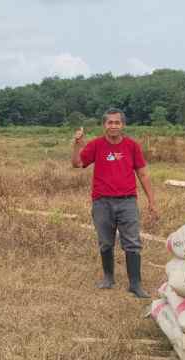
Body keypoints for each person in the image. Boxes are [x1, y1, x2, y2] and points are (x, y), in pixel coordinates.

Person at [70, 108, 157, 298]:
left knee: (132, 242)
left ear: (122, 125)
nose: (114, 126)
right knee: (105, 242)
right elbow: (76, 164)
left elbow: (142, 173)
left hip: (127, 202)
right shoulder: (96, 145)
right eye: (110, 122)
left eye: (117, 122)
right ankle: (108, 278)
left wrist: (151, 200)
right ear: (104, 125)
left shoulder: (132, 146)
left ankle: (135, 284)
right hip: (102, 202)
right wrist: (77, 145)